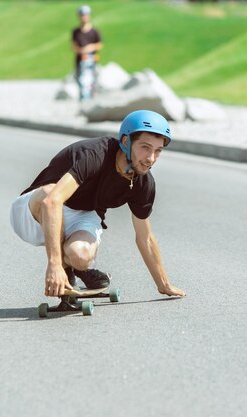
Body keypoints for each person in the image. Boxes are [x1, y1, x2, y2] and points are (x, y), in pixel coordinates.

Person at [9, 110, 186, 298]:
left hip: (84, 214)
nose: (151, 158)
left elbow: (146, 238)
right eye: (145, 147)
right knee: (49, 192)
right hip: (32, 213)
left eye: (158, 151)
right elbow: (52, 201)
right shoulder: (95, 155)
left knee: (80, 255)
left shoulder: (143, 183)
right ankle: (65, 266)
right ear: (126, 142)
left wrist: (164, 284)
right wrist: (54, 265)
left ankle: (78, 267)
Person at [71, 5, 102, 100]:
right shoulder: (76, 32)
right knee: (81, 83)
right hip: (80, 61)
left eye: (85, 15)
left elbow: (99, 44)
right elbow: (73, 46)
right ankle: (83, 104)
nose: (84, 17)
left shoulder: (94, 31)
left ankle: (91, 103)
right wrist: (81, 51)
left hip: (92, 61)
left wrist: (89, 48)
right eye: (82, 15)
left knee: (91, 83)